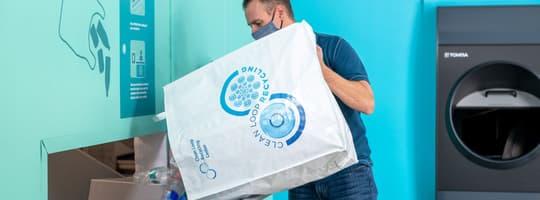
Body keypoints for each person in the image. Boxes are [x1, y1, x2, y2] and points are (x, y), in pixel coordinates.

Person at [242, 0, 377, 199]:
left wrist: (321, 70)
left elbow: (366, 103)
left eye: (259, 23)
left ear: (279, 13)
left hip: (347, 172)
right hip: (302, 177)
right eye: (251, 26)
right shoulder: (267, 68)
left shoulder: (332, 46)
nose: (254, 32)